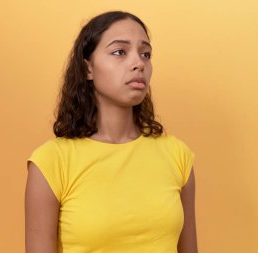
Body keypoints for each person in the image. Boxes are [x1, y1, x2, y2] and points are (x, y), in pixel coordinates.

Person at [25, 11, 198, 253]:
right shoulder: (51, 163)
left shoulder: (178, 156)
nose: (139, 63)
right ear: (88, 69)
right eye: (120, 52)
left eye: (145, 54)